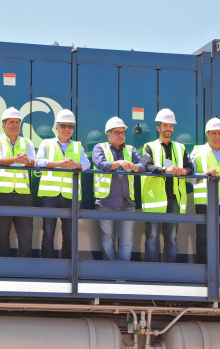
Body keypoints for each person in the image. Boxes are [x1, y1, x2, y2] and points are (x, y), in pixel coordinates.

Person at [36, 109, 90, 259]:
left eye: (70, 126)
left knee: (69, 234)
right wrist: (59, 163)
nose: (67, 129)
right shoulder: (46, 143)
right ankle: (48, 265)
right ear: (56, 128)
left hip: (69, 195)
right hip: (49, 195)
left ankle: (67, 266)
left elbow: (87, 164)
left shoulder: (78, 146)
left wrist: (75, 164)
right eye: (63, 126)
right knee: (48, 232)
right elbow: (39, 162)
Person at [142, 109, 194, 263]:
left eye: (171, 126)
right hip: (155, 200)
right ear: (158, 127)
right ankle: (151, 271)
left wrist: (183, 171)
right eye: (165, 125)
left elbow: (191, 167)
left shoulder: (180, 147)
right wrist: (165, 170)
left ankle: (170, 270)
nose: (168, 129)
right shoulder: (149, 146)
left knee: (171, 238)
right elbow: (147, 165)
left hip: (174, 199)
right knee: (152, 237)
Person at [92, 116, 146, 262]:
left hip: (127, 203)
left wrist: (134, 167)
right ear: (108, 134)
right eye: (117, 132)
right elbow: (101, 164)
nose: (121, 135)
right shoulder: (99, 147)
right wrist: (119, 163)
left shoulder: (131, 149)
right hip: (105, 203)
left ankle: (123, 274)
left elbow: (142, 166)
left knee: (127, 241)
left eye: (123, 132)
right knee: (106, 240)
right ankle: (109, 273)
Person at [0, 107, 37, 257]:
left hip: (23, 194)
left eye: (17, 122)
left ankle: (24, 268)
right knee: (2, 235)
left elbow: (34, 162)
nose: (15, 125)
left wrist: (27, 160)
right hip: (2, 194)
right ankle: (4, 268)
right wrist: (17, 159)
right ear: (3, 125)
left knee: (26, 235)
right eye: (11, 122)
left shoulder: (27, 142)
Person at [190, 117, 220, 265]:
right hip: (204, 202)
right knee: (203, 238)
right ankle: (203, 270)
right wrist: (204, 175)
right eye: (213, 133)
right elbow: (189, 177)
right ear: (207, 135)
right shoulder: (197, 151)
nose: (217, 137)